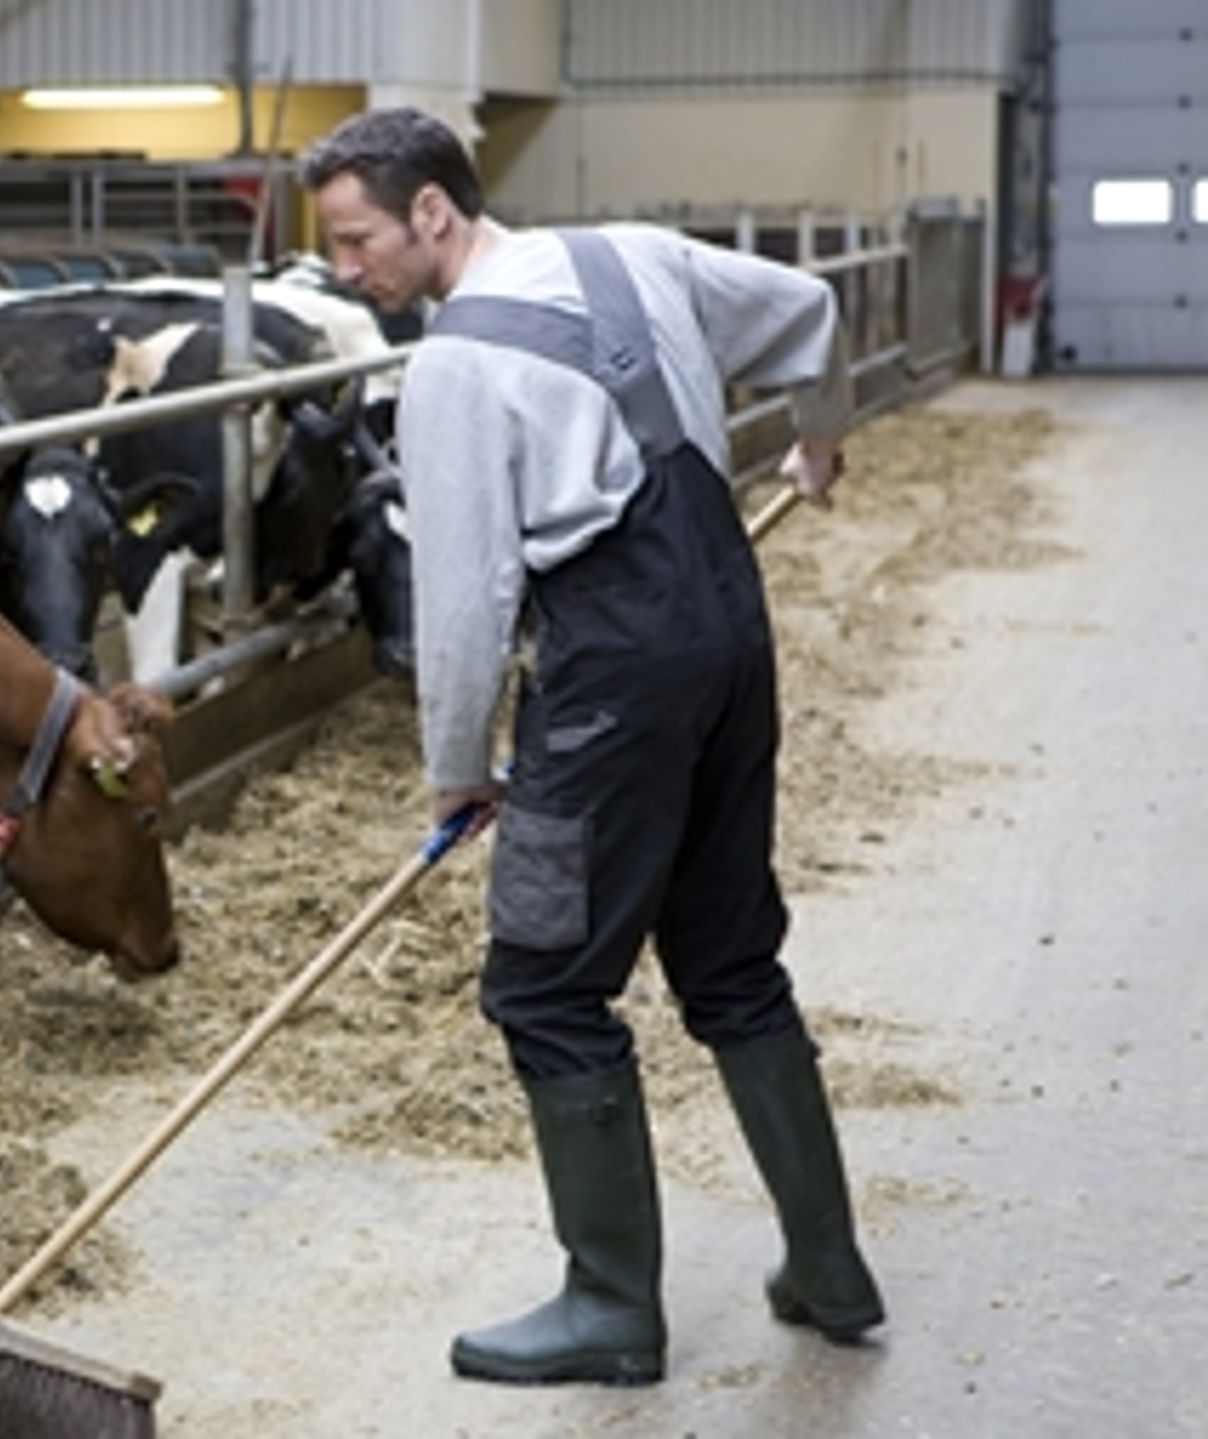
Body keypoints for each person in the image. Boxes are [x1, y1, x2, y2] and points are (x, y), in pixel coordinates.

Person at [297, 106, 884, 1386]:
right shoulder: (633, 254)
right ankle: (829, 1267)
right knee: (729, 960)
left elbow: (461, 602)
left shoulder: (450, 370)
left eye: (356, 241)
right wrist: (822, 433)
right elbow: (808, 313)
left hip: (613, 674)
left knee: (546, 987)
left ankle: (611, 1304)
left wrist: (458, 766)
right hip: (729, 629)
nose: (348, 272)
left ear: (433, 213)